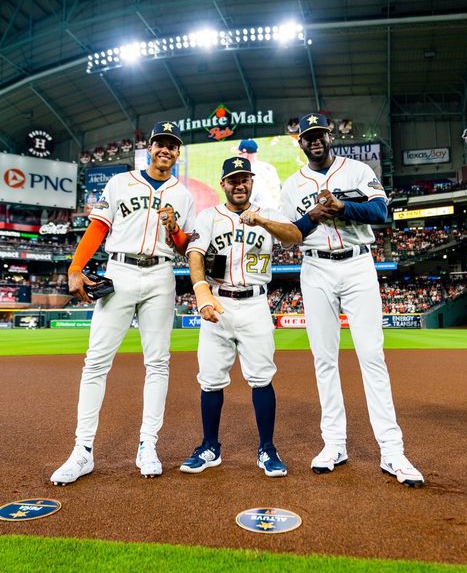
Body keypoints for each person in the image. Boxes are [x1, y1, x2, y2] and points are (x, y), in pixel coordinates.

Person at [279, 113, 424, 487]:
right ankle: (334, 444)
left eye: (320, 134)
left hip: (358, 265)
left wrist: (342, 208)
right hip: (315, 270)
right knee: (324, 359)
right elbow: (291, 235)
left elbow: (380, 211)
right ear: (301, 142)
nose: (315, 140)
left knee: (371, 356)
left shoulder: (357, 169)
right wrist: (316, 214)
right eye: (308, 136)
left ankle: (392, 451)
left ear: (330, 136)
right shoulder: (292, 185)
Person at [50, 121, 195, 485]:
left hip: (162, 275)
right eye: (160, 143)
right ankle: (82, 451)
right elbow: (98, 228)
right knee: (96, 361)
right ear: (150, 148)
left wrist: (174, 228)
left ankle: (148, 444)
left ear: (178, 153)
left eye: (172, 145)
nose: (166, 150)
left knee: (158, 363)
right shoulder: (119, 183)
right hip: (120, 270)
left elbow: (182, 246)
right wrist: (75, 267)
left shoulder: (185, 194)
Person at [179, 156, 301, 477]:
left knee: (261, 377)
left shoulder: (268, 215)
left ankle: (267, 449)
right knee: (210, 378)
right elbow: (195, 253)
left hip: (255, 305)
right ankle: (209, 447)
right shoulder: (209, 217)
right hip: (218, 304)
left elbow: (294, 236)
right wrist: (201, 290)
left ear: (251, 182)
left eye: (244, 178)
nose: (239, 184)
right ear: (223, 185)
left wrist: (261, 221)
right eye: (232, 179)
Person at [237, 139, 281, 209]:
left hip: (260, 214)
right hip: (276, 210)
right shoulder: (269, 167)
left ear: (245, 155)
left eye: (239, 153)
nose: (237, 156)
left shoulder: (247, 172)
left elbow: (246, 202)